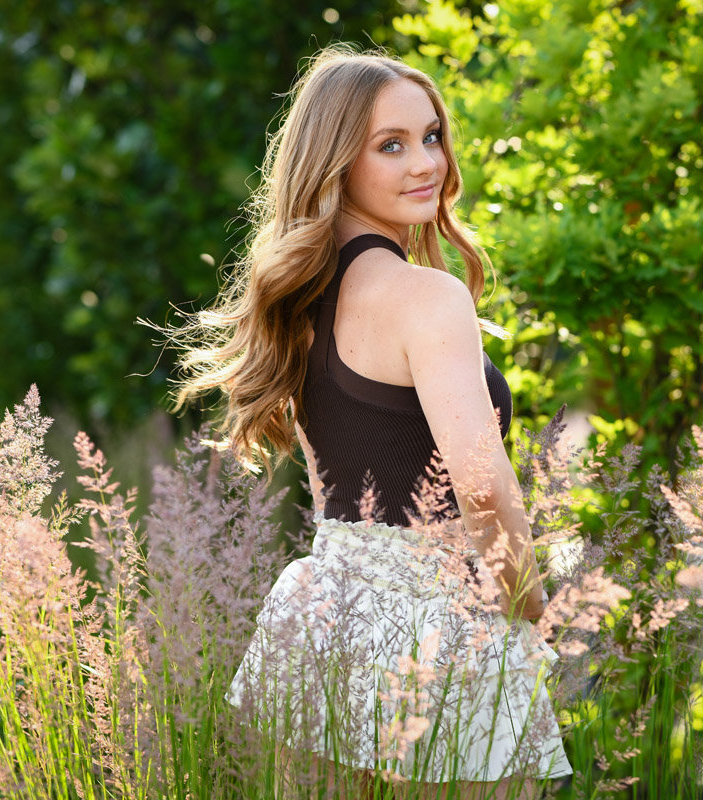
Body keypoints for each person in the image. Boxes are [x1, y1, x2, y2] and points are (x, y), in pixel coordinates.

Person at [171, 45, 572, 798]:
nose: (426, 162)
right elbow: (482, 490)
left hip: (327, 618)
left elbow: (340, 486)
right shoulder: (428, 297)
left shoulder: (296, 303)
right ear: (335, 165)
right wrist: (534, 608)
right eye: (391, 145)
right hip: (441, 629)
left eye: (431, 136)